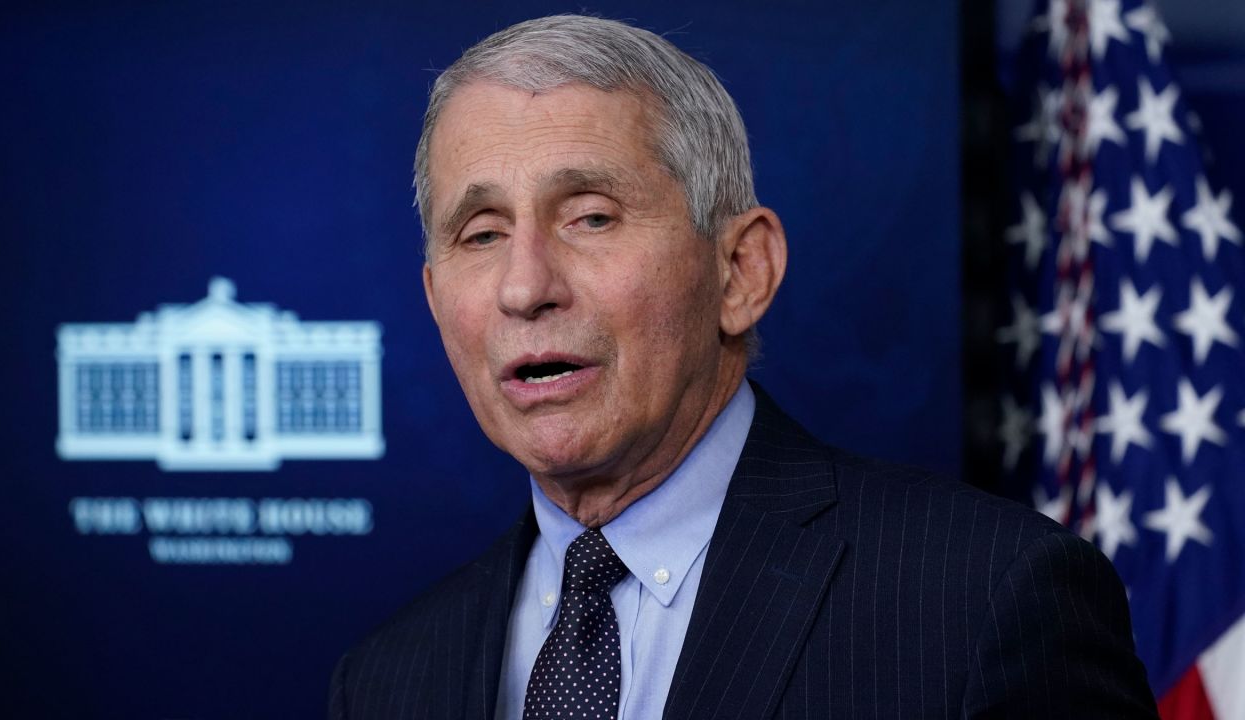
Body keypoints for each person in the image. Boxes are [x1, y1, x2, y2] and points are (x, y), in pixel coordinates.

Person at [328, 14, 1158, 720]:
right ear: (437, 301)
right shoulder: (388, 680)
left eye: (589, 216)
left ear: (740, 271)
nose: (525, 286)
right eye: (481, 234)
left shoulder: (986, 600)